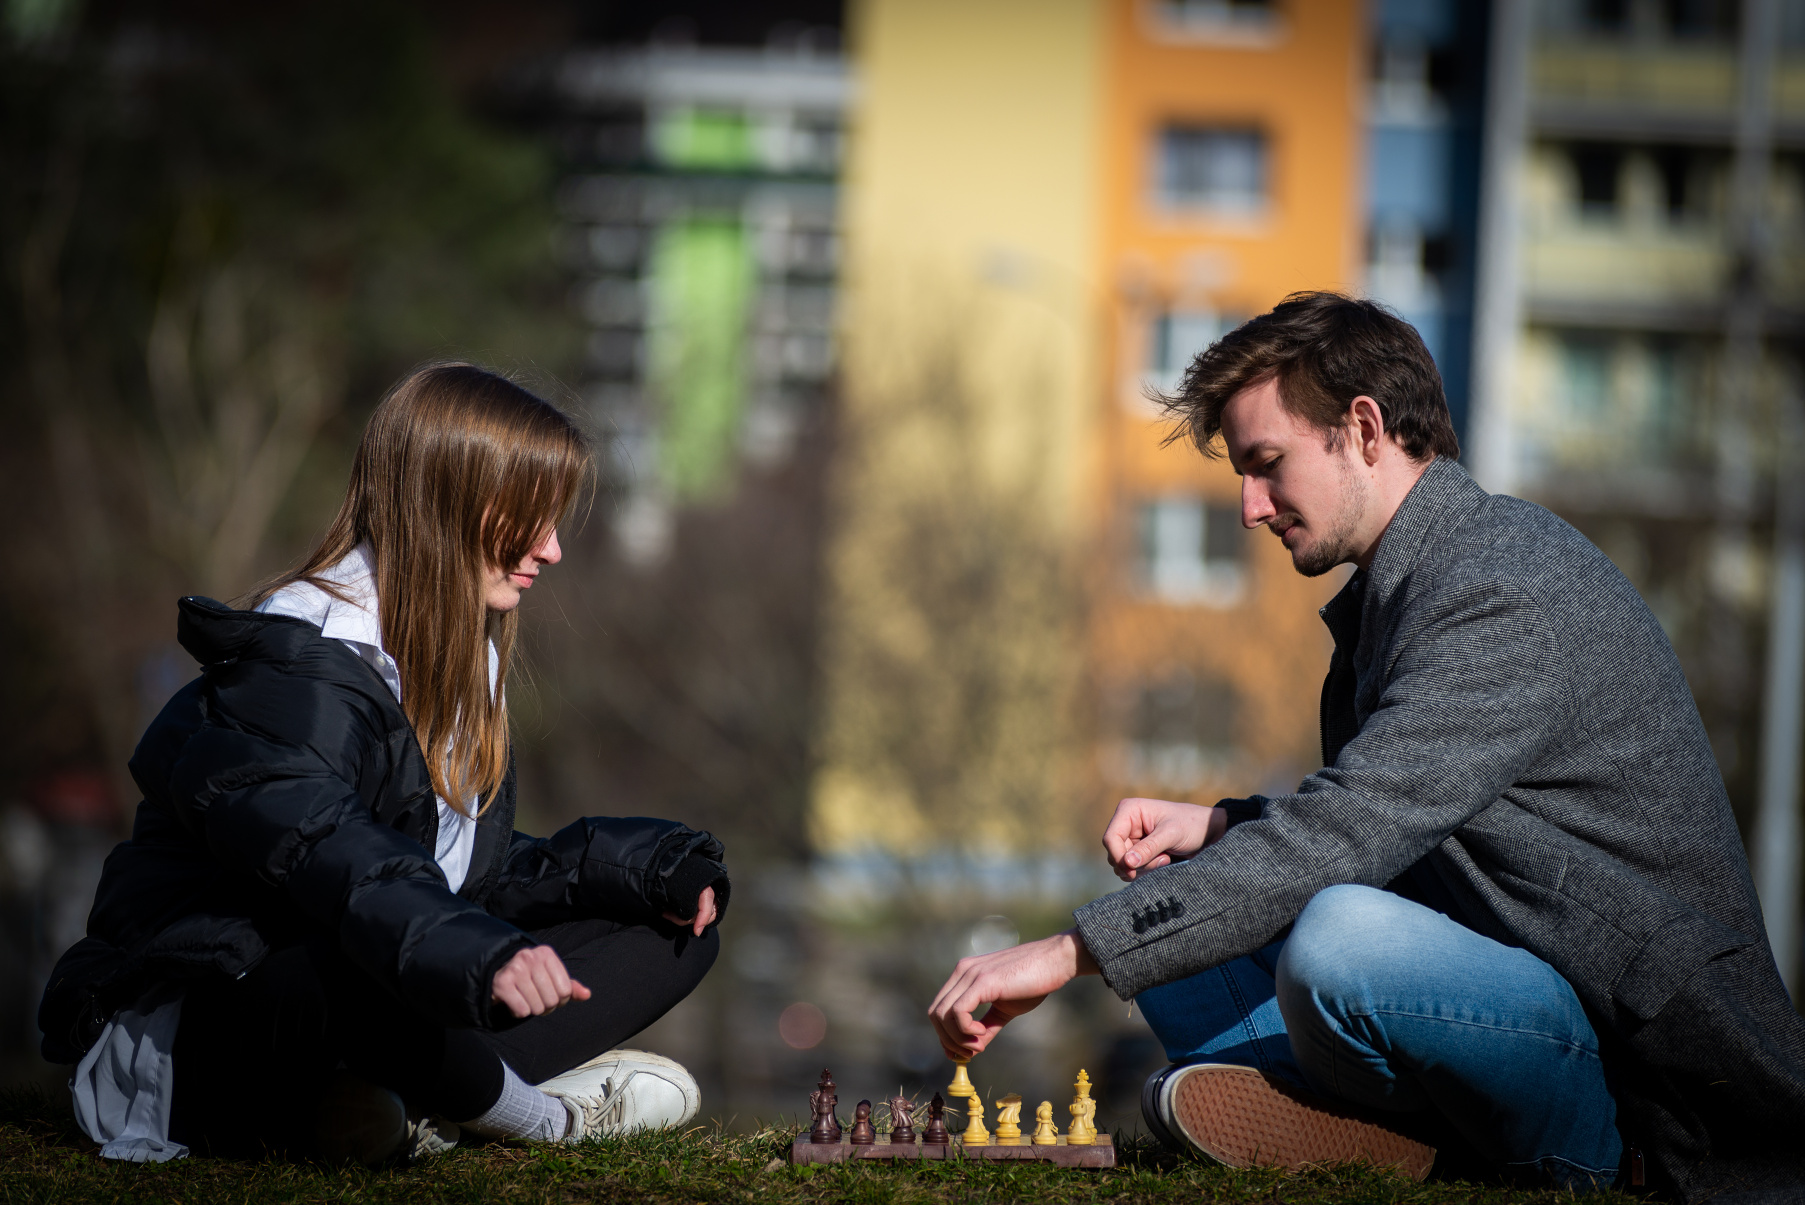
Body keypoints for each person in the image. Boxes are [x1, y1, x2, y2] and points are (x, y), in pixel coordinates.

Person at [927, 293, 1805, 1202]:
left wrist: (1066, 951)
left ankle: (1517, 1149)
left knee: (1337, 940)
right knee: (1172, 902)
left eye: (1267, 464)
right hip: (1528, 1001)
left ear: (1363, 429)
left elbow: (1353, 831)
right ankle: (1354, 1131)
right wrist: (1222, 826)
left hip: (1645, 1090)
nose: (1248, 507)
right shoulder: (1406, 590)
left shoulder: (1502, 587)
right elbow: (1411, 827)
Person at [38, 364, 729, 1164]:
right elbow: (338, 858)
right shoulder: (298, 666)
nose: (552, 548)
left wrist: (644, 869)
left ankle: (396, 1106)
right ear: (449, 502)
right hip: (214, 1030)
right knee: (364, 960)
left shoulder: (461, 655)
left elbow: (452, 876)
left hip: (376, 986)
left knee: (671, 932)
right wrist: (476, 952)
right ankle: (545, 1119)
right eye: (529, 516)